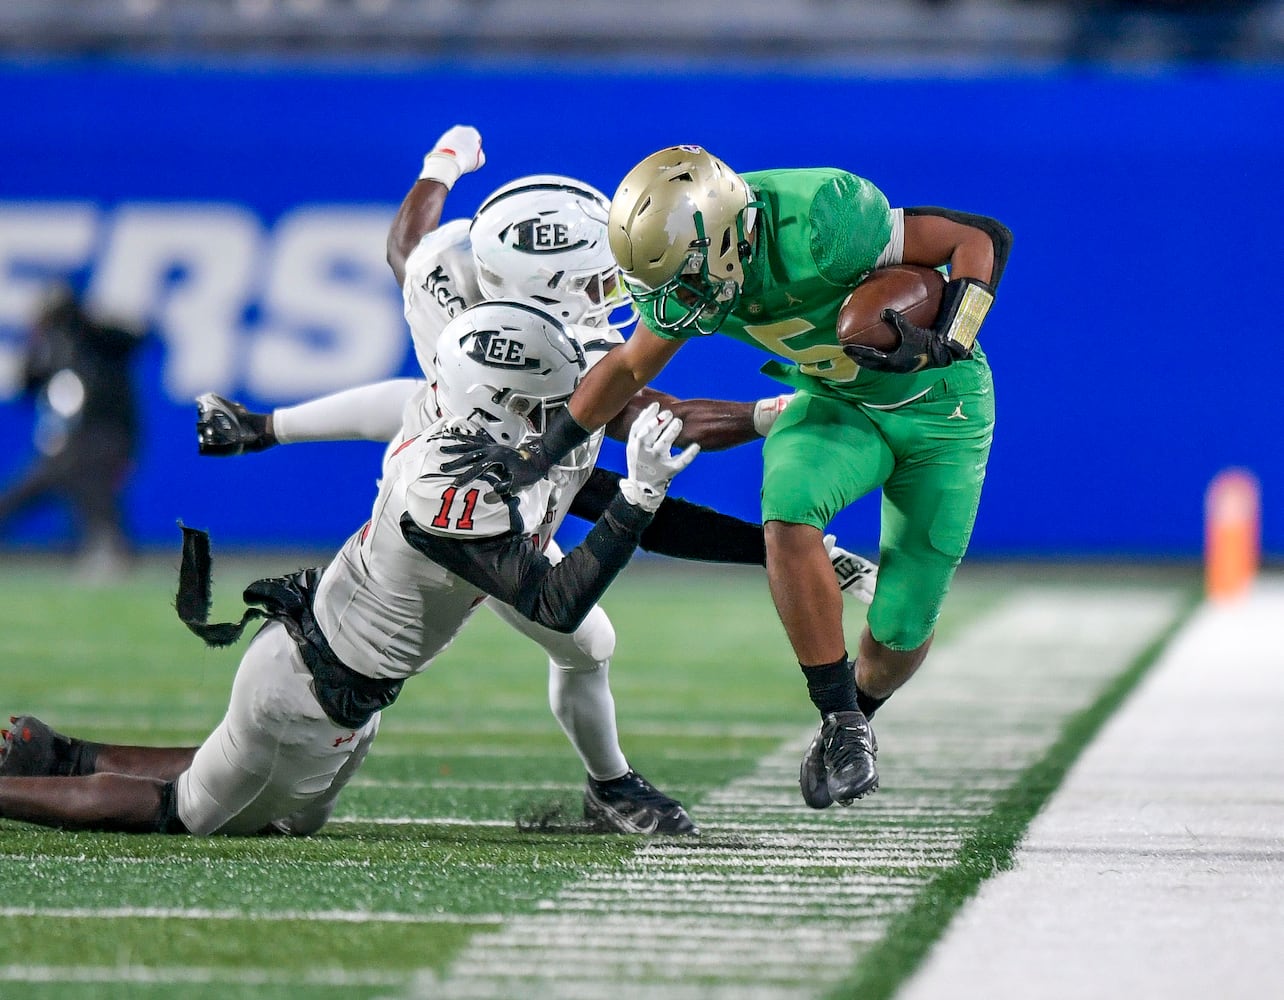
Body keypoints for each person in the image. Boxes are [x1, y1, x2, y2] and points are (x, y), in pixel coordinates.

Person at [192, 128, 879, 831]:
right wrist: (785, 411)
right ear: (541, 289)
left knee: (587, 640)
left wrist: (442, 167)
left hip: (496, 486)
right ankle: (609, 784)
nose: (613, 283)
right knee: (570, 619)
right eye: (592, 278)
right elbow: (660, 428)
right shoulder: (551, 363)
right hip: (467, 514)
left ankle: (610, 784)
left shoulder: (461, 298)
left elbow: (406, 251)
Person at [442, 144, 1012, 810]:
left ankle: (862, 705)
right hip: (834, 403)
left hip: (945, 414)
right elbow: (627, 369)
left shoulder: (823, 221)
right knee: (789, 513)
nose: (673, 302)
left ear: (724, 236)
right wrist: (542, 452)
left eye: (683, 277)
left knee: (897, 635)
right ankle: (840, 721)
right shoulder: (693, 256)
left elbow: (979, 236)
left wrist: (954, 332)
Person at [0, 300, 701, 837]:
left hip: (329, 678)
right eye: (538, 403)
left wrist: (758, 540)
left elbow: (582, 482)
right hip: (310, 690)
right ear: (494, 402)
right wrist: (639, 494)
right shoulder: (449, 485)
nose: (559, 416)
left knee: (263, 795)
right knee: (184, 813)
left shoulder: (453, 425)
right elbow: (552, 604)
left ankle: (61, 753)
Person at [0, 283, 145, 580]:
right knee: (30, 490)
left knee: (93, 489)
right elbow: (27, 384)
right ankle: (107, 546)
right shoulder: (50, 348)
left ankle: (109, 549)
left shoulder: (97, 340)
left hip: (104, 436)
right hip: (67, 442)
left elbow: (137, 339)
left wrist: (89, 323)